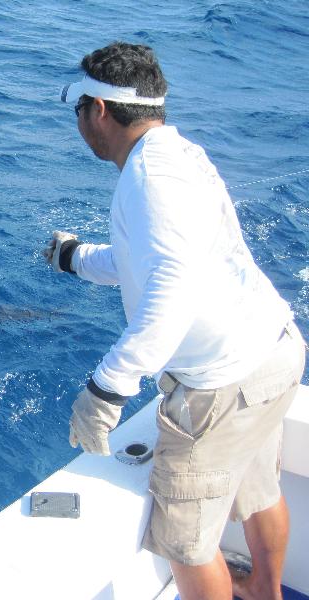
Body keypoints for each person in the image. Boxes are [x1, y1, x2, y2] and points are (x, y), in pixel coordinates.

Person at [46, 41, 306, 600]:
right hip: (271, 351)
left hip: (223, 384)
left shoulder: (149, 182)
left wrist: (107, 388)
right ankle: (264, 590)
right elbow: (150, 259)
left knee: (186, 543)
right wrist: (75, 258)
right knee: (259, 491)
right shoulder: (178, 155)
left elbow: (171, 291)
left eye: (79, 108)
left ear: (99, 111)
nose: (79, 121)